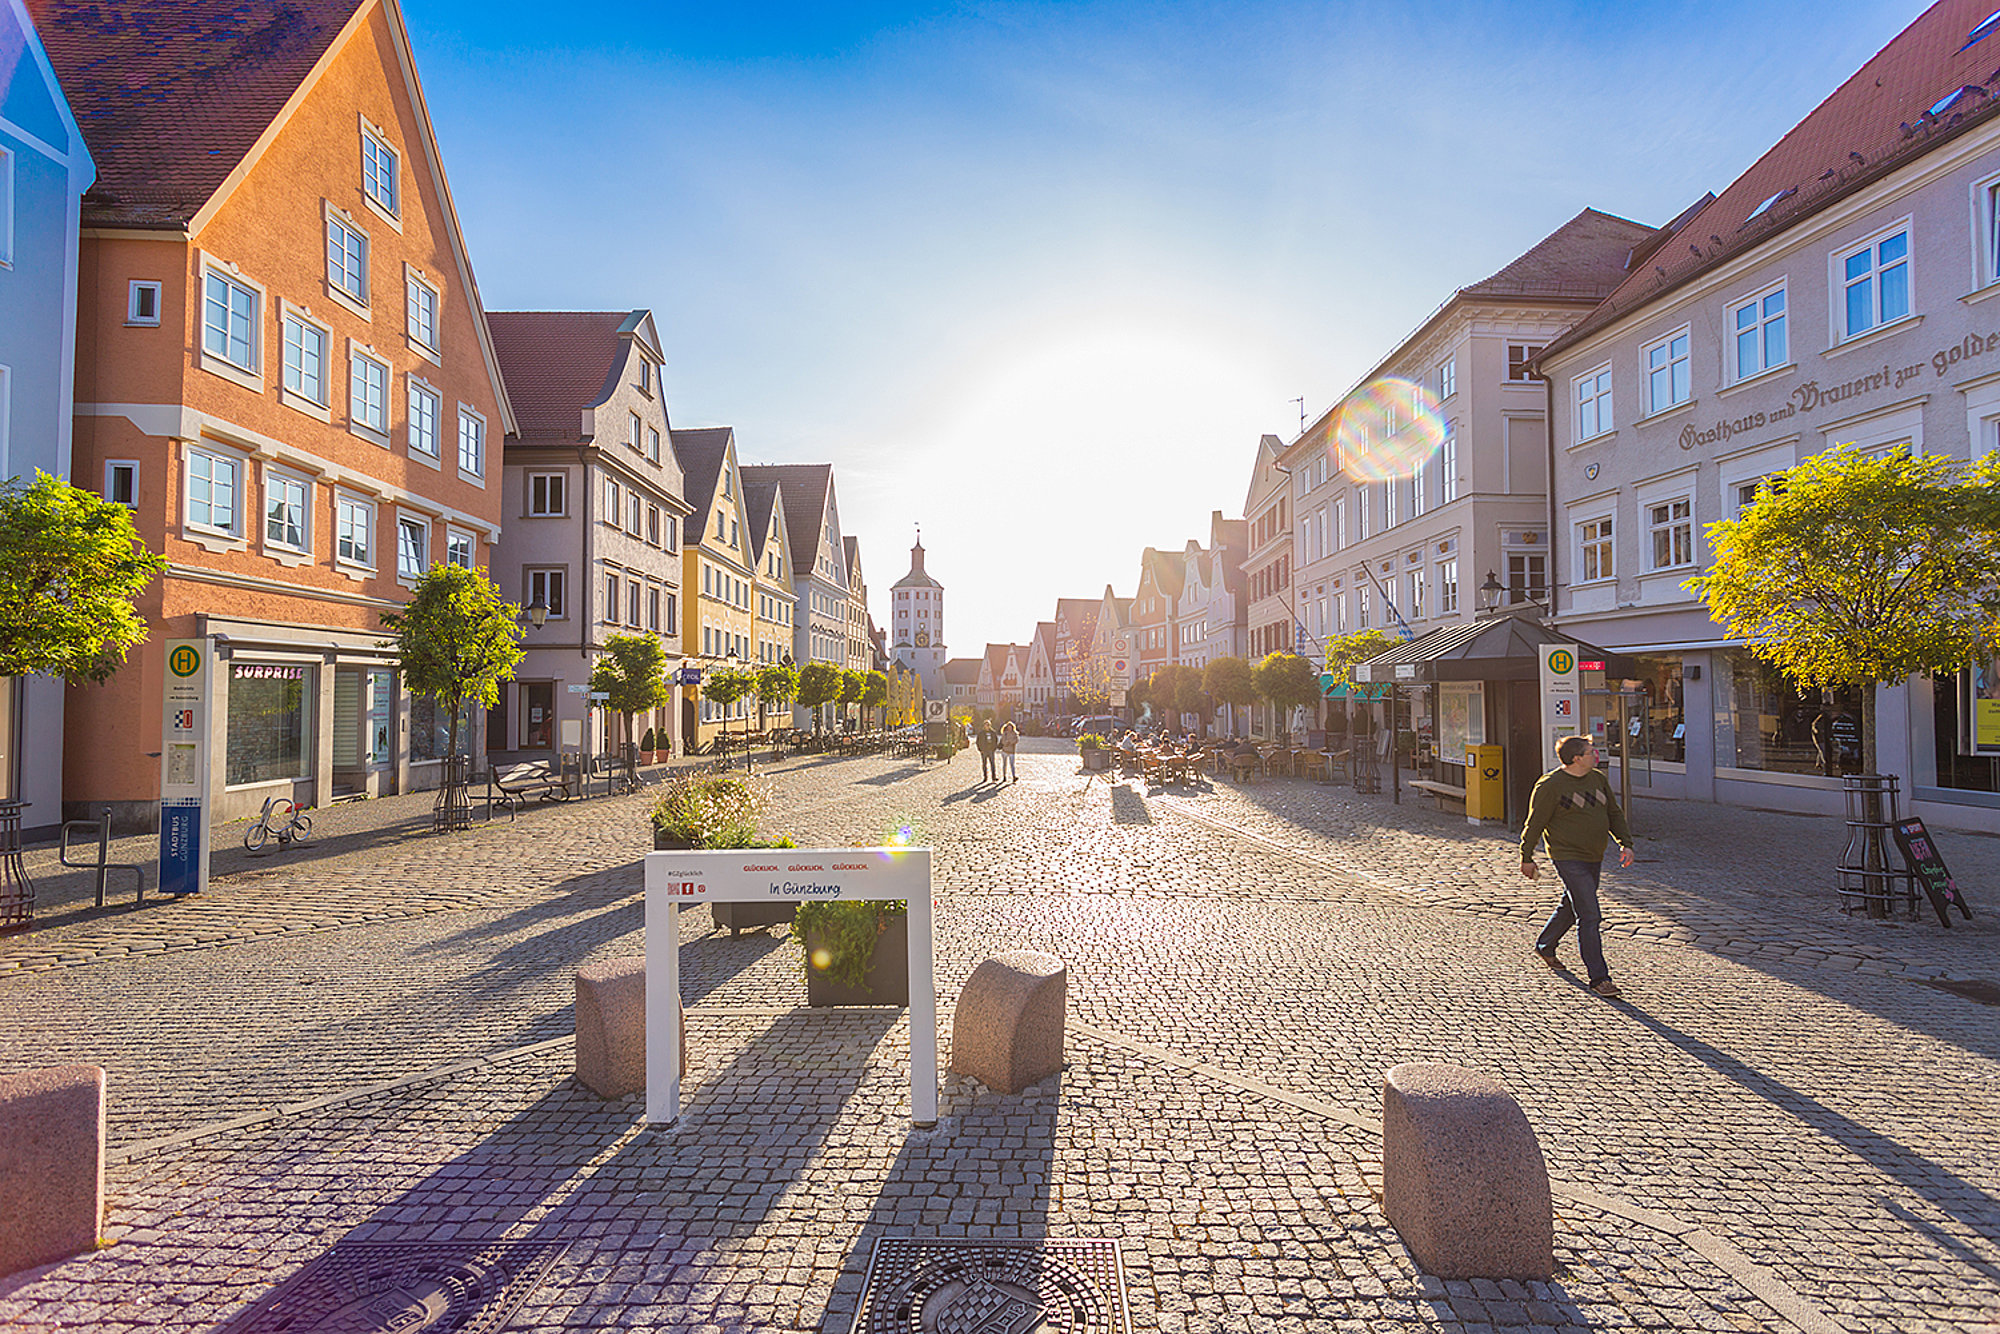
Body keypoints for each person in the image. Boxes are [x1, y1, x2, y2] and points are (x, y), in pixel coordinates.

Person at [1520, 734, 1635, 998]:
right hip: (1566, 856)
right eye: (1591, 751)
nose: (1596, 755)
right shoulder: (1550, 785)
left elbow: (1613, 813)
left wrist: (1625, 843)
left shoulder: (1597, 779)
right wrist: (1526, 856)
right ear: (1576, 758)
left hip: (1594, 855)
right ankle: (1599, 978)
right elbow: (1534, 823)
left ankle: (1545, 945)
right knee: (1590, 914)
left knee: (1571, 906)